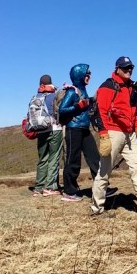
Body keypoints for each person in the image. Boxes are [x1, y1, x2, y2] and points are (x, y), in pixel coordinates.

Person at [90, 57, 137, 217]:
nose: (129, 70)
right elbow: (100, 112)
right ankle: (97, 210)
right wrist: (103, 135)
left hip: (129, 134)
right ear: (117, 69)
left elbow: (133, 112)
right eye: (125, 68)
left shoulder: (132, 87)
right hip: (112, 133)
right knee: (104, 171)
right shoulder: (107, 86)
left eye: (131, 68)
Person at [58, 63, 99, 202]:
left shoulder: (82, 90)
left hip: (84, 128)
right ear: (79, 75)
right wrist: (78, 106)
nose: (89, 76)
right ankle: (69, 192)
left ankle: (101, 188)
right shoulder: (72, 92)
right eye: (87, 74)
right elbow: (62, 110)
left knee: (95, 158)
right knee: (73, 160)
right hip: (73, 129)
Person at [33, 74, 63, 196]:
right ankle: (50, 187)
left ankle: (38, 188)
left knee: (42, 159)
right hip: (54, 129)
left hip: (40, 130)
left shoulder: (36, 98)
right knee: (53, 158)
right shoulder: (54, 96)